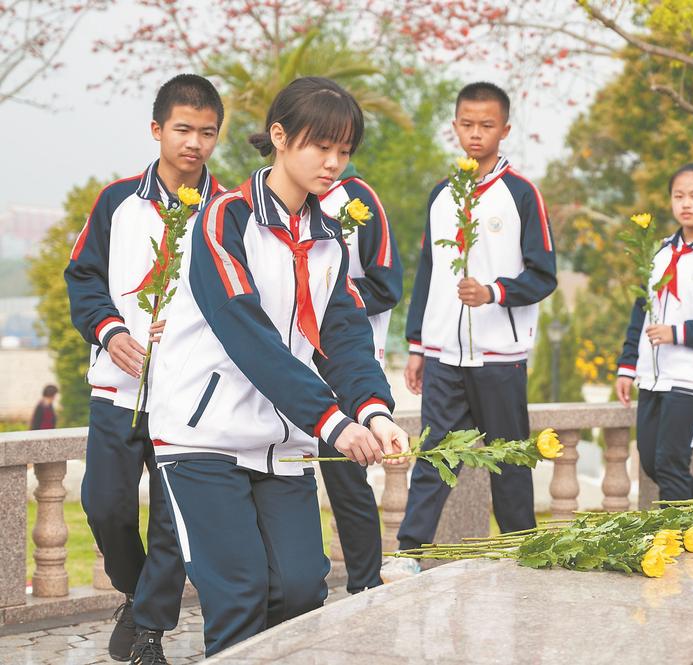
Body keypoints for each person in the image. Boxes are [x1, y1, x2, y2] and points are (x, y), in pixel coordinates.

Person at [146, 76, 408, 657]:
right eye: (322, 146)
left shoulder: (329, 237)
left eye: (345, 150)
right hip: (204, 439)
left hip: (283, 441)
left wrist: (374, 411)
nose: (334, 163)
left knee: (300, 592)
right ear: (281, 137)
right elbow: (249, 336)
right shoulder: (224, 220)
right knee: (238, 595)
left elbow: (344, 335)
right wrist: (333, 422)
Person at [64, 74, 224, 664]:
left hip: (189, 395)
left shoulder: (227, 211)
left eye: (207, 132)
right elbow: (83, 277)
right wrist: (111, 332)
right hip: (117, 387)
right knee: (103, 504)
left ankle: (150, 634)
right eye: (183, 129)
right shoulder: (117, 201)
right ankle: (135, 595)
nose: (194, 143)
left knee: (170, 521)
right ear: (157, 130)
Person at [390, 81, 557, 574]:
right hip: (444, 354)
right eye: (467, 124)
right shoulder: (441, 195)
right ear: (455, 127)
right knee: (434, 457)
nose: (476, 133)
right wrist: (417, 346)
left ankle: (525, 552)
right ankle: (409, 553)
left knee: (508, 460)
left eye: (487, 125)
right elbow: (428, 274)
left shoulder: (521, 194)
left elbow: (544, 274)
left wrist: (494, 292)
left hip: (500, 356)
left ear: (505, 129)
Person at [614, 163, 693, 501]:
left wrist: (677, 333)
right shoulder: (658, 253)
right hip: (653, 375)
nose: (686, 203)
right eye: (678, 196)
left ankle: (675, 533)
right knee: (652, 462)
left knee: (670, 463)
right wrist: (627, 366)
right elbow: (640, 312)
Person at [317, 164, 402, 593]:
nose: (329, 158)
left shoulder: (357, 197)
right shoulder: (264, 202)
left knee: (348, 481)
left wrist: (327, 295)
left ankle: (365, 585)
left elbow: (387, 286)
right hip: (287, 364)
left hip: (346, 365)